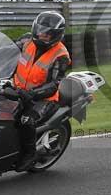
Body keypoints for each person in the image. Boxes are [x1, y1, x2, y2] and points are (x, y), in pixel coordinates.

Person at [5, 11, 71, 171]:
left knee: (26, 120)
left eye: (47, 34)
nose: (42, 36)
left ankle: (30, 155)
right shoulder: (27, 40)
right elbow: (5, 52)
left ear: (56, 35)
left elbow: (55, 84)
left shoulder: (60, 55)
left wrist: (32, 94)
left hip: (44, 99)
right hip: (17, 90)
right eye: (40, 32)